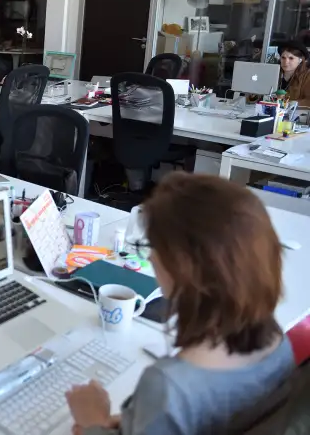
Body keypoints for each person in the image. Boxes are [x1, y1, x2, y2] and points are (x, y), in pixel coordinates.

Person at [66, 172, 295, 435]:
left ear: (185, 266)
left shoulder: (168, 387)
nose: (150, 257)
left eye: (154, 245)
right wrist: (141, 418)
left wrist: (93, 420)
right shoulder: (277, 341)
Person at [278, 40, 310, 106]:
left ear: (300, 60)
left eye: (291, 58)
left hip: (296, 114)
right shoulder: (275, 73)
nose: (286, 62)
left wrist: (290, 104)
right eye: (283, 58)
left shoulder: (307, 76)